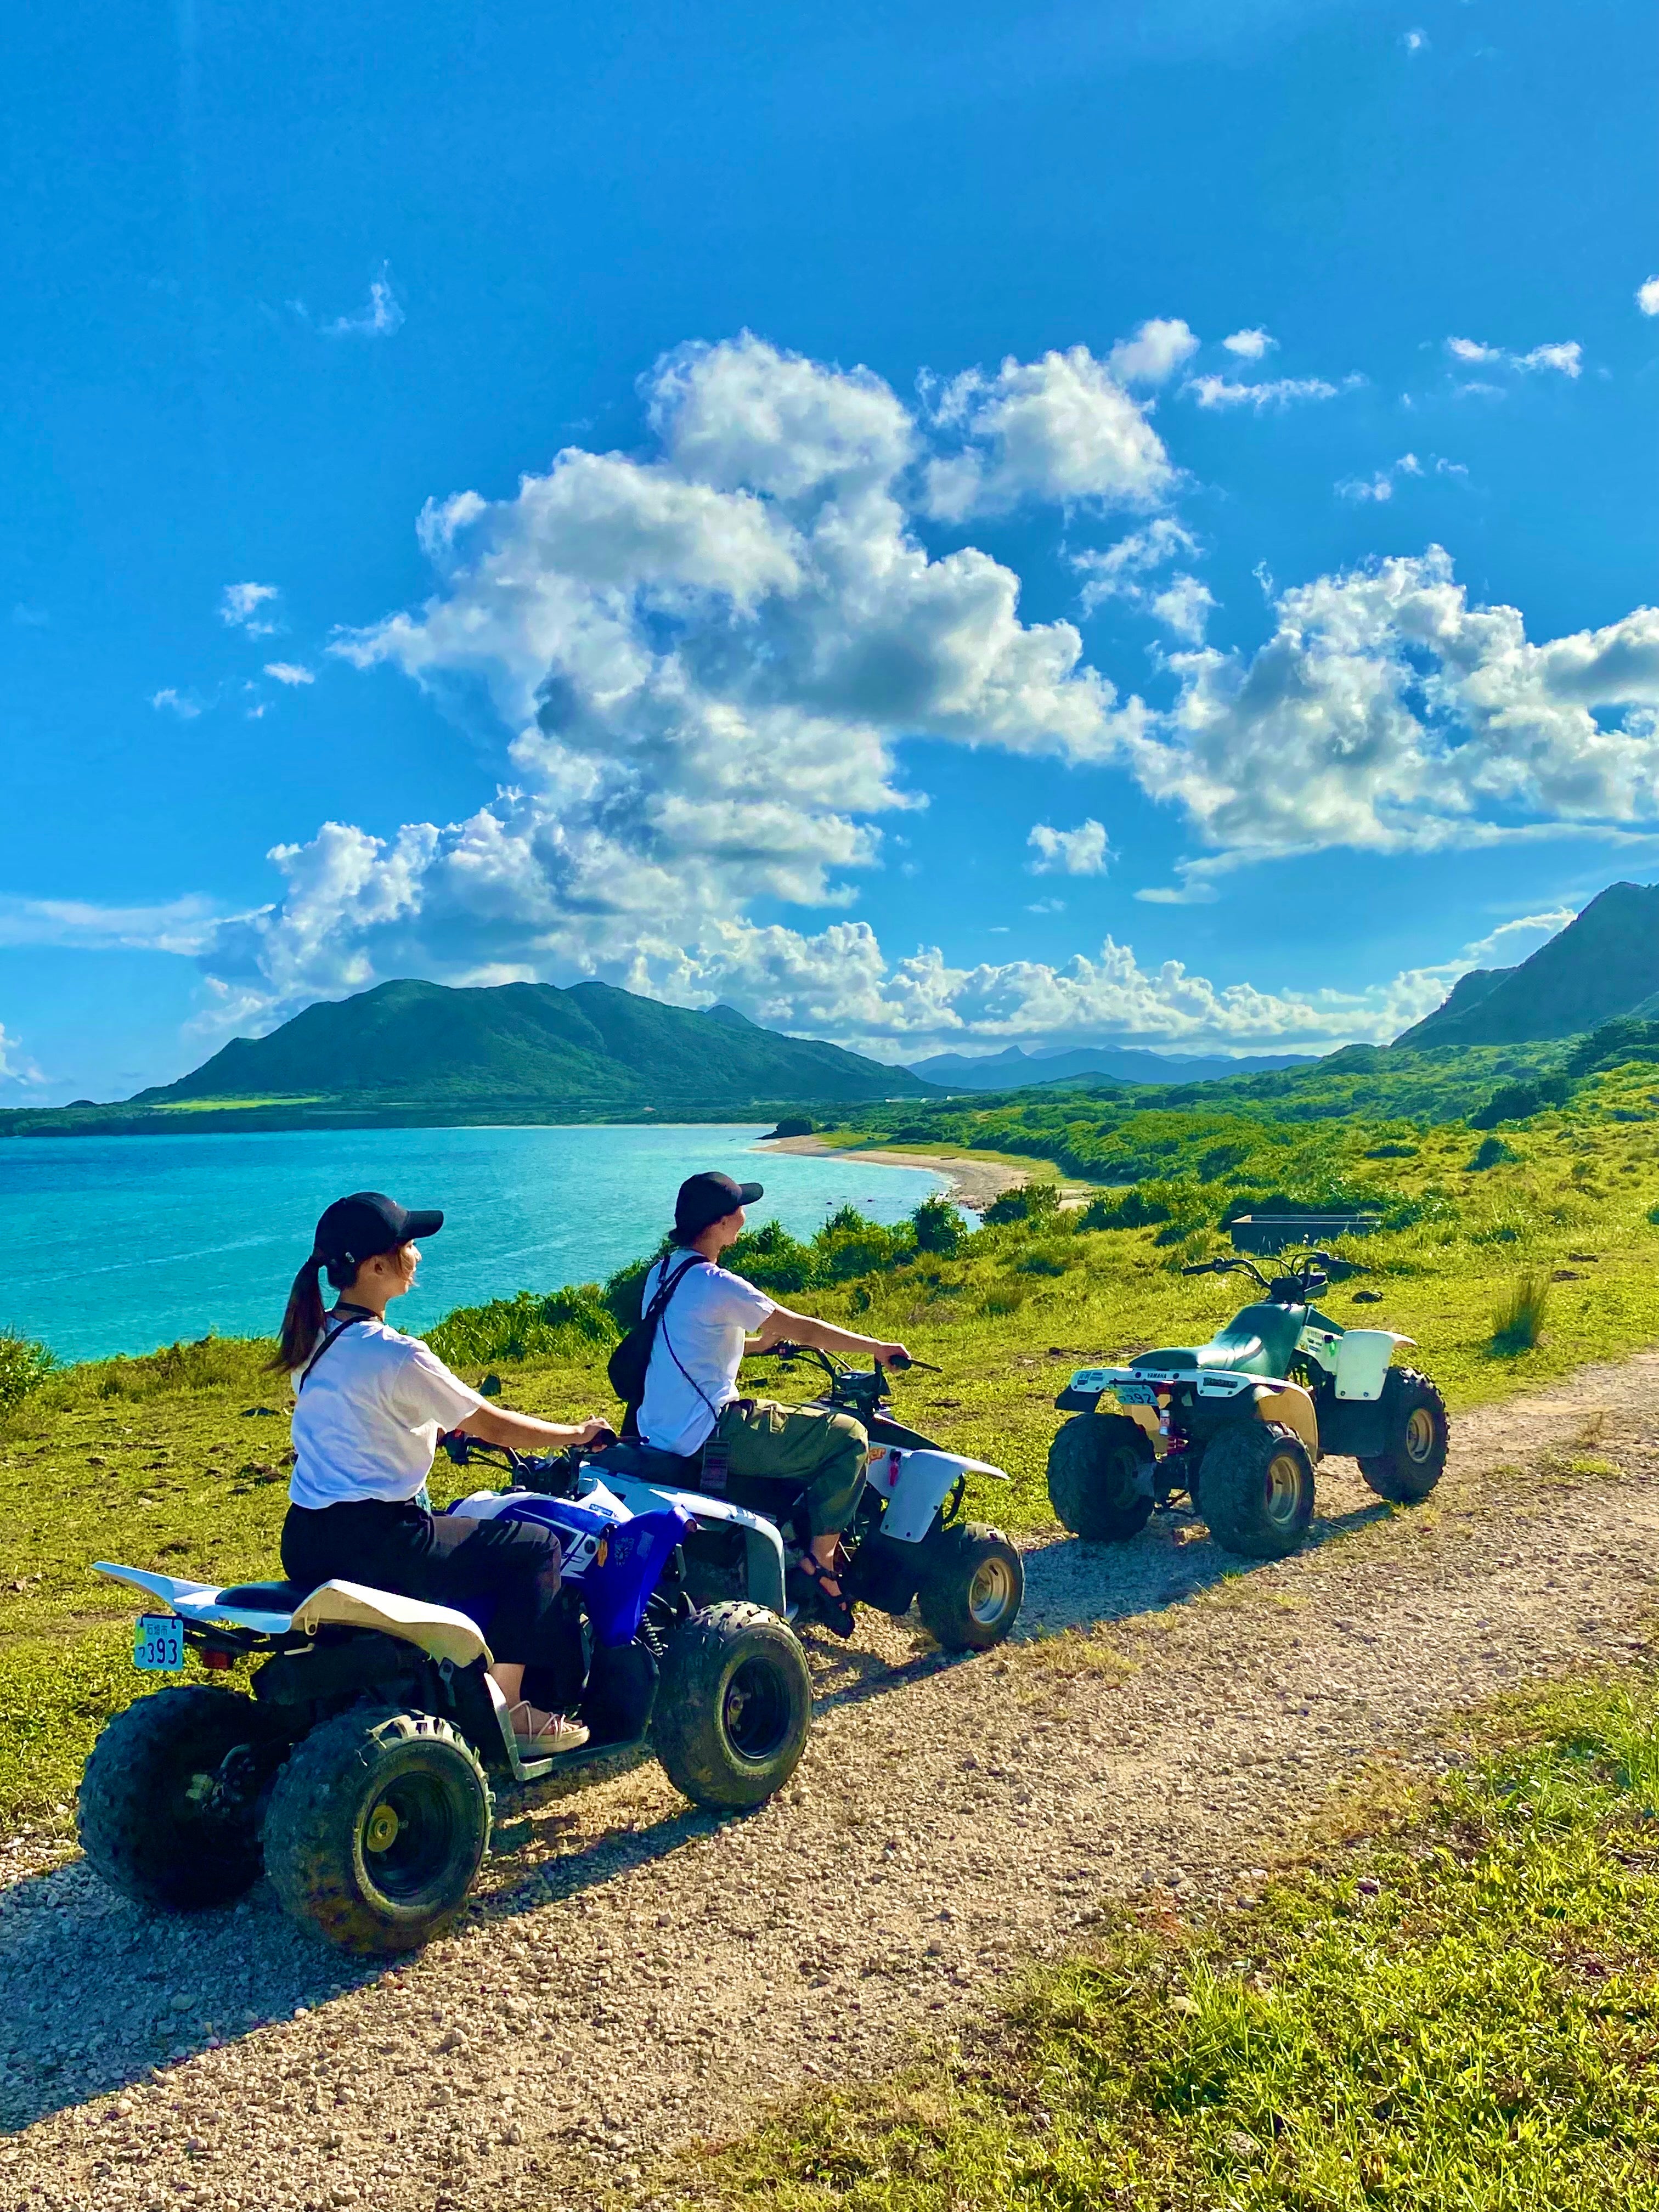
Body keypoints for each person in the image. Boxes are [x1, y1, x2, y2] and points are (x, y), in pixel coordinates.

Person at [273, 1190, 613, 1754]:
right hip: (383, 1541)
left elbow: (361, 1421)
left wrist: (432, 1425)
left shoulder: (311, 1342)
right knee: (535, 1547)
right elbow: (495, 1426)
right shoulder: (399, 1355)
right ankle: (511, 1710)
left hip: (307, 1538)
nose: (418, 1255)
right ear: (375, 1266)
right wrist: (576, 1434)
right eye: (408, 1245)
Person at [635, 1171, 909, 1635]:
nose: (745, 1216)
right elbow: (802, 1326)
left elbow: (692, 1338)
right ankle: (820, 1563)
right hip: (711, 1429)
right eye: (739, 1209)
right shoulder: (717, 1283)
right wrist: (877, 1347)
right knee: (847, 1436)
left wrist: (761, 1346)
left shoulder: (662, 1273)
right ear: (721, 1224)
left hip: (658, 1428)